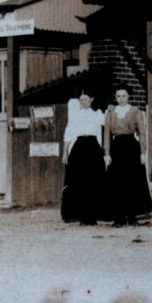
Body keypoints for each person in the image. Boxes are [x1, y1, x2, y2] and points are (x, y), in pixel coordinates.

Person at [103, 85, 152, 225]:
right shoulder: (110, 112)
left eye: (123, 96)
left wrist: (143, 152)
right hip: (116, 148)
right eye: (118, 96)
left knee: (132, 181)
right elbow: (106, 133)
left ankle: (132, 215)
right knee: (117, 182)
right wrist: (106, 153)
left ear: (128, 96)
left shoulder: (136, 111)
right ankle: (119, 216)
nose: (121, 99)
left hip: (131, 148)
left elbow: (142, 133)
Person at [61, 90, 106, 225]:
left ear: (92, 99)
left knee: (94, 181)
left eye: (86, 99)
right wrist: (65, 152)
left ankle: (94, 215)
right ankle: (78, 215)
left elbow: (108, 125)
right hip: (79, 148)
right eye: (81, 100)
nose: (83, 102)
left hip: (93, 148)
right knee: (78, 181)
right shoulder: (75, 115)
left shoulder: (98, 114)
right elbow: (68, 134)